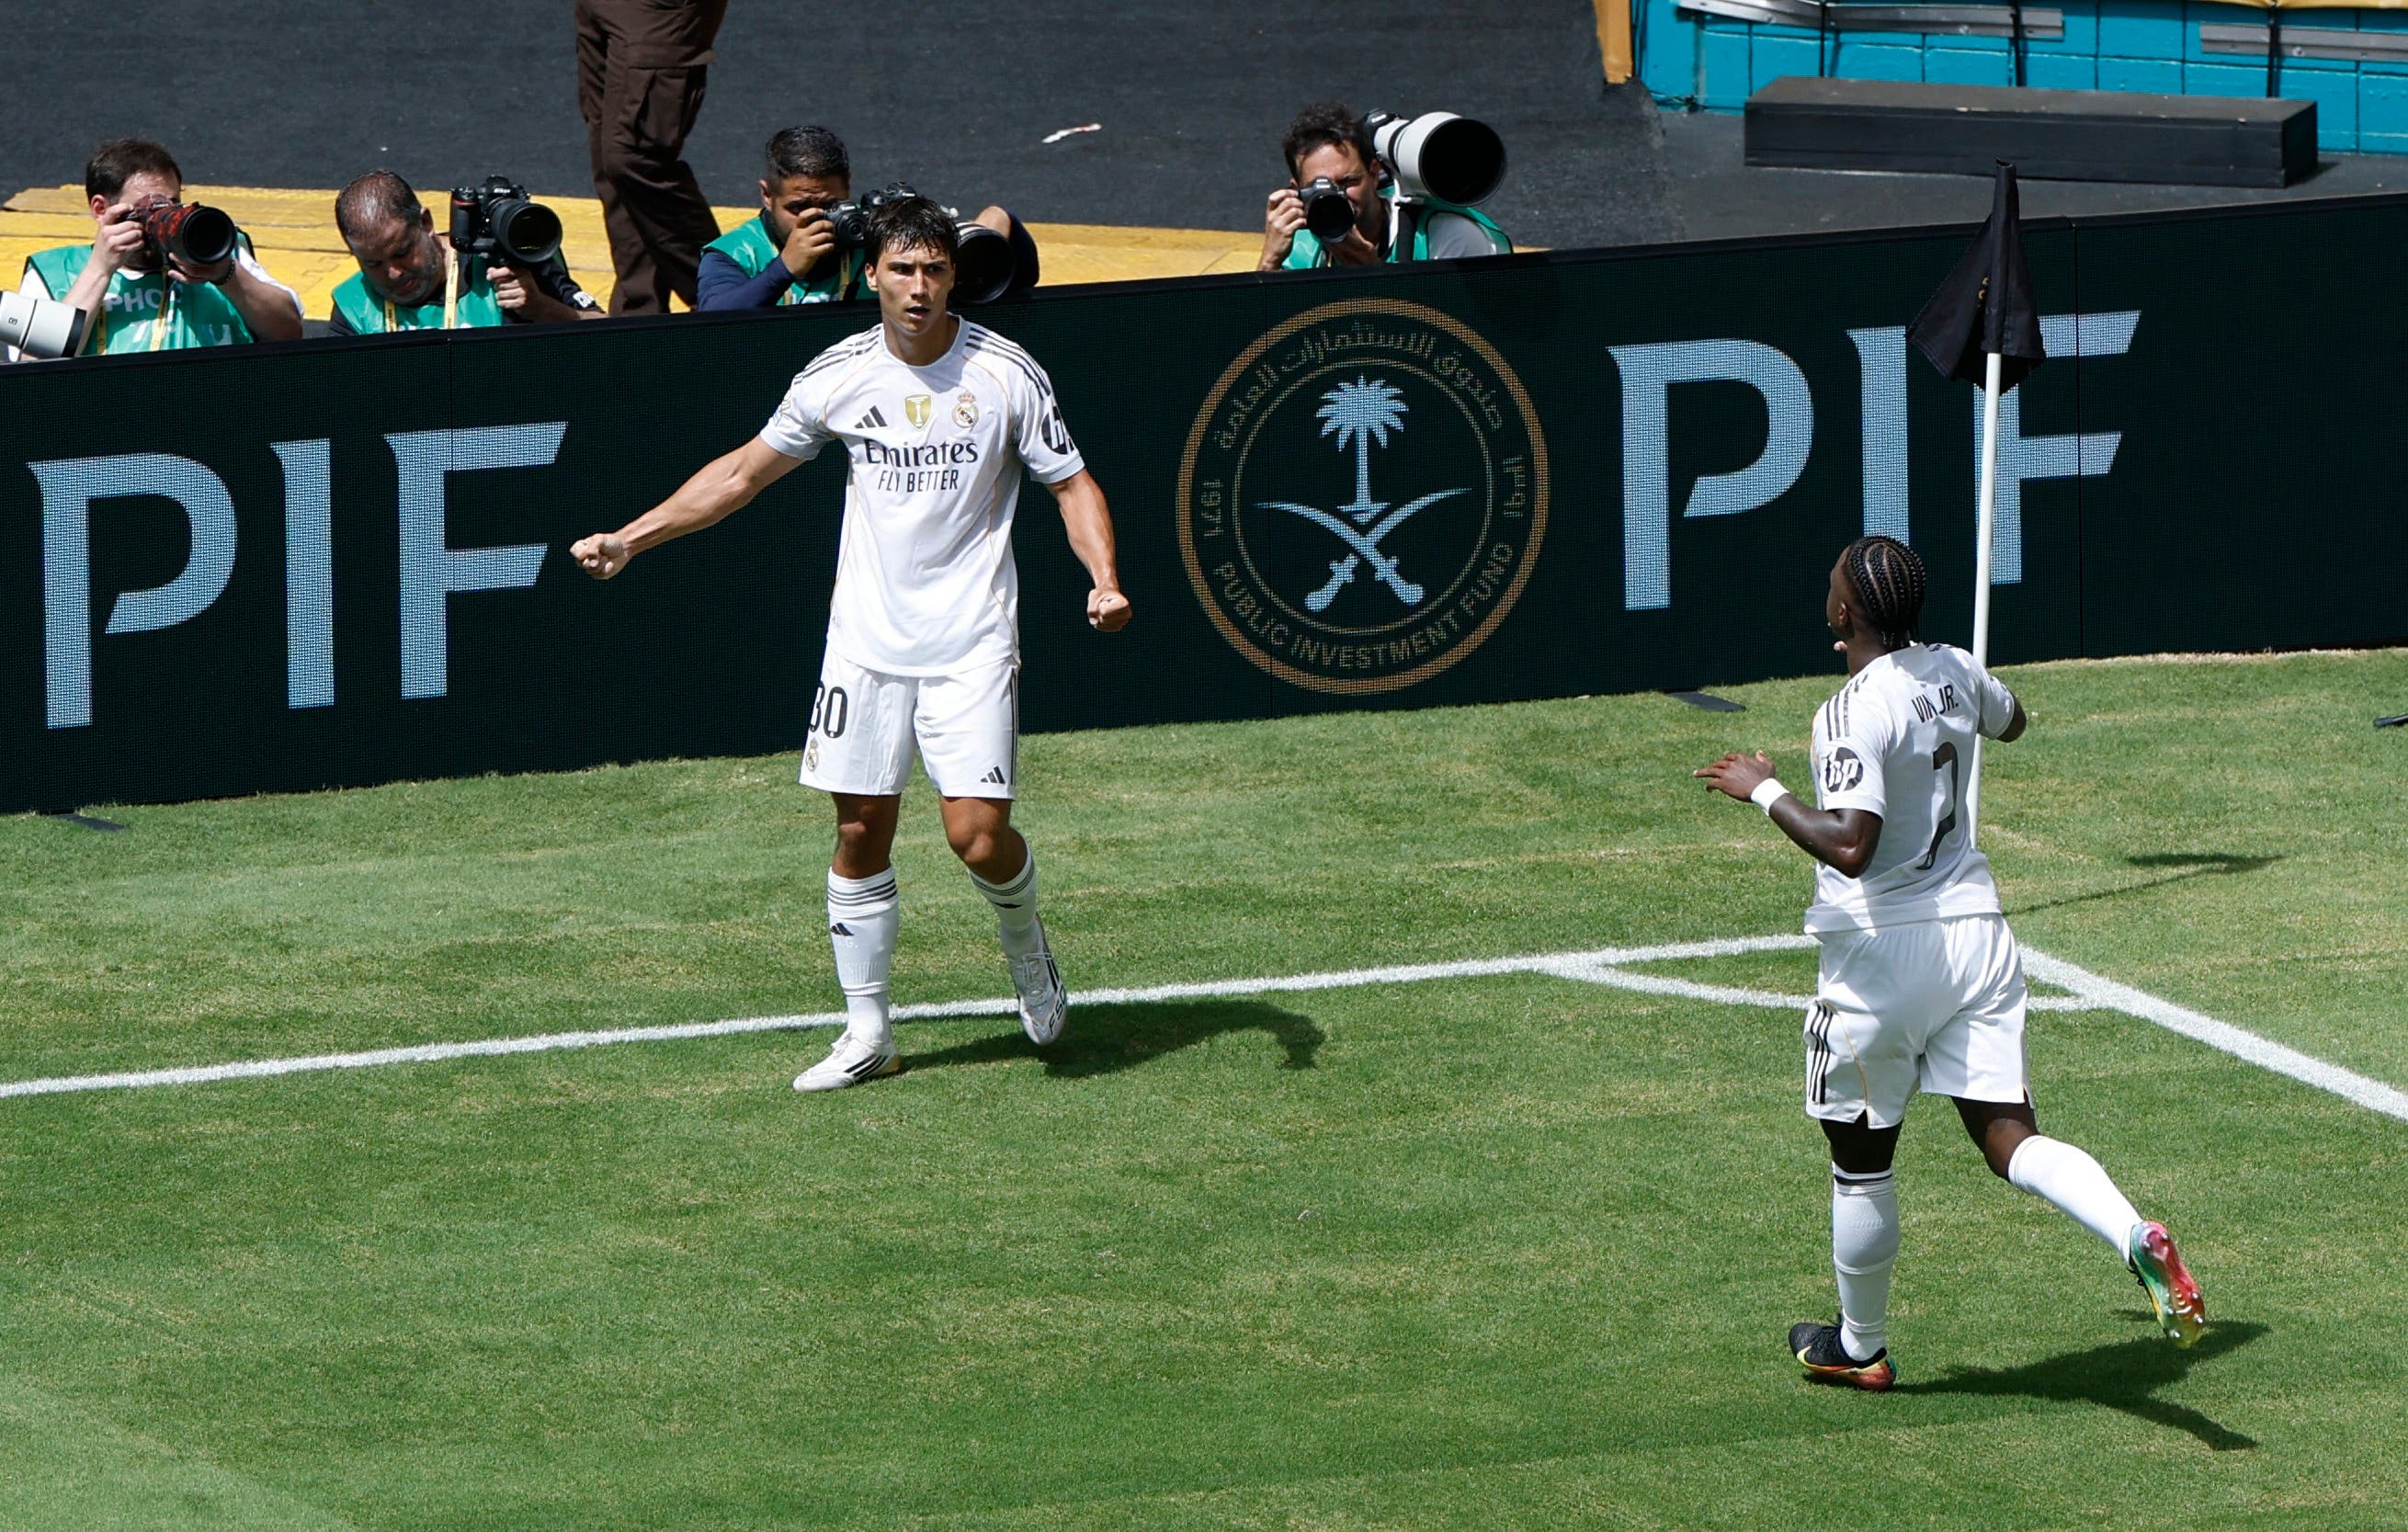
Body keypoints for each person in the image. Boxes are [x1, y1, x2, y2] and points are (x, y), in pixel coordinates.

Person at [569, 195, 1131, 1092]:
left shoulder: (1005, 373)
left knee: (977, 839)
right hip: (864, 646)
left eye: (934, 271)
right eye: (901, 270)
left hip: (970, 642)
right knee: (859, 830)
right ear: (871, 275)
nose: (918, 287)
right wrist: (631, 538)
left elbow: (1071, 484)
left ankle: (1027, 945)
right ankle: (867, 1030)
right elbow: (741, 474)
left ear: (954, 278)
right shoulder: (838, 374)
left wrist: (1102, 580)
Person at [1693, 536, 2206, 1390]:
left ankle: (1859, 1346)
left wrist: (1765, 791)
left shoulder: (1852, 708)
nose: (1825, 590)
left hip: (1880, 957)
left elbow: (1850, 846)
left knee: (1861, 1161)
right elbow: (2016, 720)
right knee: (2011, 1137)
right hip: (1977, 938)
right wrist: (1955, 703)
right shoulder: (1957, 668)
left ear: (1848, 612)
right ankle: (2131, 1234)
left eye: (1832, 584)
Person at [13, 138, 302, 359]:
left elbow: (289, 333)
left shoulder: (217, 252)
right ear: (101, 209)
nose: (162, 219)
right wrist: (100, 270)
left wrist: (227, 274)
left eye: (171, 204)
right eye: (148, 208)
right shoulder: (55, 271)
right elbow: (35, 367)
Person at [575, 0, 727, 315]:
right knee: (610, 163)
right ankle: (639, 318)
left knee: (633, 157)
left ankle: (728, 297)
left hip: (657, 10)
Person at [328, 172, 602, 335]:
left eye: (402, 252)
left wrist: (542, 309)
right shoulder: (353, 306)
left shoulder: (508, 263)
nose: (394, 273)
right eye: (373, 263)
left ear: (426, 223)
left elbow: (614, 338)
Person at [1258, 102, 1510, 273]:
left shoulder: (1449, 237)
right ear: (1297, 191)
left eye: (1348, 183)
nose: (1337, 198)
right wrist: (1268, 264)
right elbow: (1253, 342)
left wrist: (1373, 276)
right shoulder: (1300, 245)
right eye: (1320, 188)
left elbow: (1456, 338)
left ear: (1374, 174)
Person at [697, 126, 869, 311]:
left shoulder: (876, 231)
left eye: (830, 205)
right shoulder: (735, 253)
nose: (816, 220)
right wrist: (783, 269)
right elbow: (713, 323)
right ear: (768, 195)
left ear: (847, 187)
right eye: (798, 207)